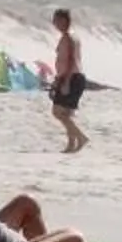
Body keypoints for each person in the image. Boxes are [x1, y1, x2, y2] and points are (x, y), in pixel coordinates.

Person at [51, 9, 90, 154]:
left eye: (57, 20)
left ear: (64, 21)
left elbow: (70, 60)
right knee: (65, 114)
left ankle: (81, 137)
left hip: (71, 77)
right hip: (72, 76)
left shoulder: (68, 37)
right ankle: (71, 144)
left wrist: (65, 81)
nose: (55, 23)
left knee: (57, 112)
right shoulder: (71, 36)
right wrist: (58, 78)